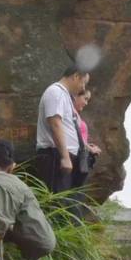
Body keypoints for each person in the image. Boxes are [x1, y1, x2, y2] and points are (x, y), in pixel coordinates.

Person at [35, 65, 90, 193]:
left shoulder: (65, 95)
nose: (83, 88)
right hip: (55, 155)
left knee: (64, 199)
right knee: (55, 199)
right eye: (83, 82)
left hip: (63, 155)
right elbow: (55, 123)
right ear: (76, 76)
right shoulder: (56, 92)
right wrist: (65, 157)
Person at [72, 88, 102, 189]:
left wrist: (89, 147)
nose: (86, 103)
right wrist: (90, 149)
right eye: (85, 99)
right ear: (76, 96)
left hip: (81, 155)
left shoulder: (76, 115)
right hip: (76, 156)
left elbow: (80, 139)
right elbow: (74, 137)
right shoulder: (71, 113)